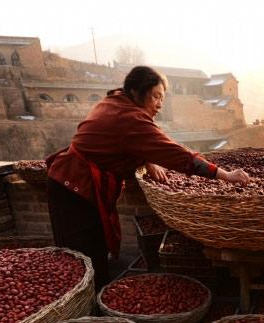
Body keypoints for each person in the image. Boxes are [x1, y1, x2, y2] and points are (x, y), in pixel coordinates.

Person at [45, 66, 250, 287]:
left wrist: (146, 158)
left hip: (70, 181)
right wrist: (224, 175)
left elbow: (124, 139)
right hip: (73, 188)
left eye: (162, 98)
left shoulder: (115, 100)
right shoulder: (129, 118)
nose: (159, 105)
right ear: (135, 92)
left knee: (95, 248)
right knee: (82, 258)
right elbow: (177, 155)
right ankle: (89, 311)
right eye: (155, 97)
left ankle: (94, 298)